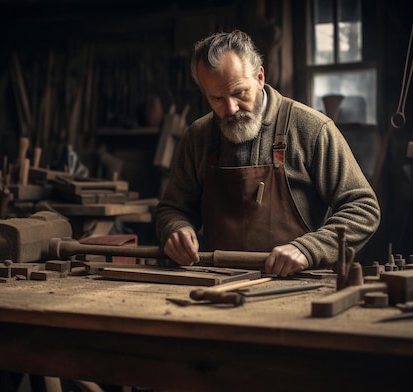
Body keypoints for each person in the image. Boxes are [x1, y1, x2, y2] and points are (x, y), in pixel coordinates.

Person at [156, 29, 381, 277]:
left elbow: (363, 208)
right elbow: (172, 209)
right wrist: (176, 229)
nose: (230, 109)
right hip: (216, 283)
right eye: (217, 98)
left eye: (239, 93)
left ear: (260, 77)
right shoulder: (199, 136)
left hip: (299, 285)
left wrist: (308, 249)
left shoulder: (312, 129)